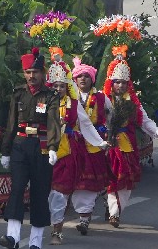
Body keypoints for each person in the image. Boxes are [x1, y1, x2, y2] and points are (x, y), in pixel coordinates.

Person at [0, 47, 61, 249]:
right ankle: (12, 237)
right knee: (17, 189)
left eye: (35, 72)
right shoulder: (18, 94)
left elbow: (53, 122)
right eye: (27, 72)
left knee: (39, 193)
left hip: (41, 148)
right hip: (20, 146)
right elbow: (11, 124)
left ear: (42, 73)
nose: (31, 76)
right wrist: (5, 150)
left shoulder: (50, 96)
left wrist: (53, 147)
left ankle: (36, 241)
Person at [46, 60, 107, 246]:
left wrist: (99, 142)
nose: (58, 89)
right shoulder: (43, 102)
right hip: (45, 151)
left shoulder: (73, 104)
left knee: (60, 192)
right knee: (50, 193)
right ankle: (51, 223)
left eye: (61, 86)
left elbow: (86, 124)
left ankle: (57, 232)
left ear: (67, 87)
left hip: (68, 152)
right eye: (54, 86)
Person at [104, 58, 158, 228]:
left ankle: (115, 213)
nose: (121, 86)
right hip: (105, 144)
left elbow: (144, 120)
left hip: (126, 146)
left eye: (124, 83)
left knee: (123, 180)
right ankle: (108, 206)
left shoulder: (132, 102)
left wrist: (157, 132)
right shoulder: (103, 99)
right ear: (111, 83)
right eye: (117, 83)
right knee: (104, 180)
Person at [68, 58, 111, 237]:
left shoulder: (101, 97)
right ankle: (84, 216)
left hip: (95, 146)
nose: (83, 79)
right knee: (78, 182)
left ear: (92, 79)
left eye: (86, 76)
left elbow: (111, 117)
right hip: (75, 145)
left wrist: (109, 134)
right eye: (79, 76)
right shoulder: (70, 97)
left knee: (90, 182)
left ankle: (86, 217)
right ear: (75, 80)